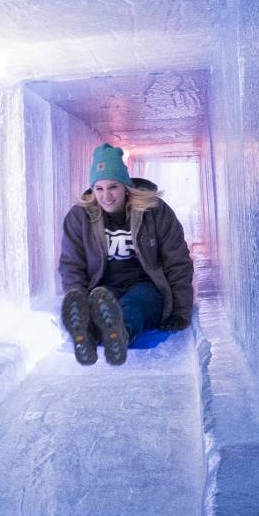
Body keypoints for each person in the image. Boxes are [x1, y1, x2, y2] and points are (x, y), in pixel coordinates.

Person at [59, 143, 194, 365]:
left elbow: (177, 261)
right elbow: (72, 265)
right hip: (103, 288)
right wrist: (79, 298)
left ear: (126, 186)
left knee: (135, 304)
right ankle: (86, 329)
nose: (106, 196)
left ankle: (120, 334)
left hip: (146, 285)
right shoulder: (79, 217)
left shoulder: (154, 211)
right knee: (100, 302)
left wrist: (180, 311)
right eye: (99, 188)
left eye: (113, 187)